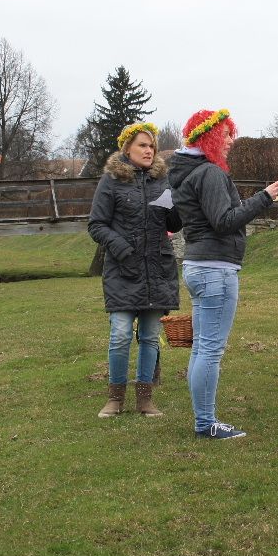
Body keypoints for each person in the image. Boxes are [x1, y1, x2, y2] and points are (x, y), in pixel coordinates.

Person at [168, 109, 278, 440]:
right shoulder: (209, 174)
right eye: (226, 134)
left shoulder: (185, 173)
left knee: (201, 348)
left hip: (198, 266)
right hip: (214, 270)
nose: (231, 140)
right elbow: (224, 220)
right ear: (209, 138)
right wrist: (265, 197)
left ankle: (202, 420)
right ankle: (206, 423)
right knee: (210, 349)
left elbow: (195, 218)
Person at [88, 122, 182, 418]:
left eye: (152, 146)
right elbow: (96, 225)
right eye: (143, 145)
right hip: (123, 271)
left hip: (157, 270)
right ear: (127, 148)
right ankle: (115, 399)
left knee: (151, 336)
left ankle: (145, 400)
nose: (149, 150)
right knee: (119, 335)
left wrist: (176, 204)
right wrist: (121, 248)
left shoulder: (162, 181)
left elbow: (174, 225)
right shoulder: (111, 181)